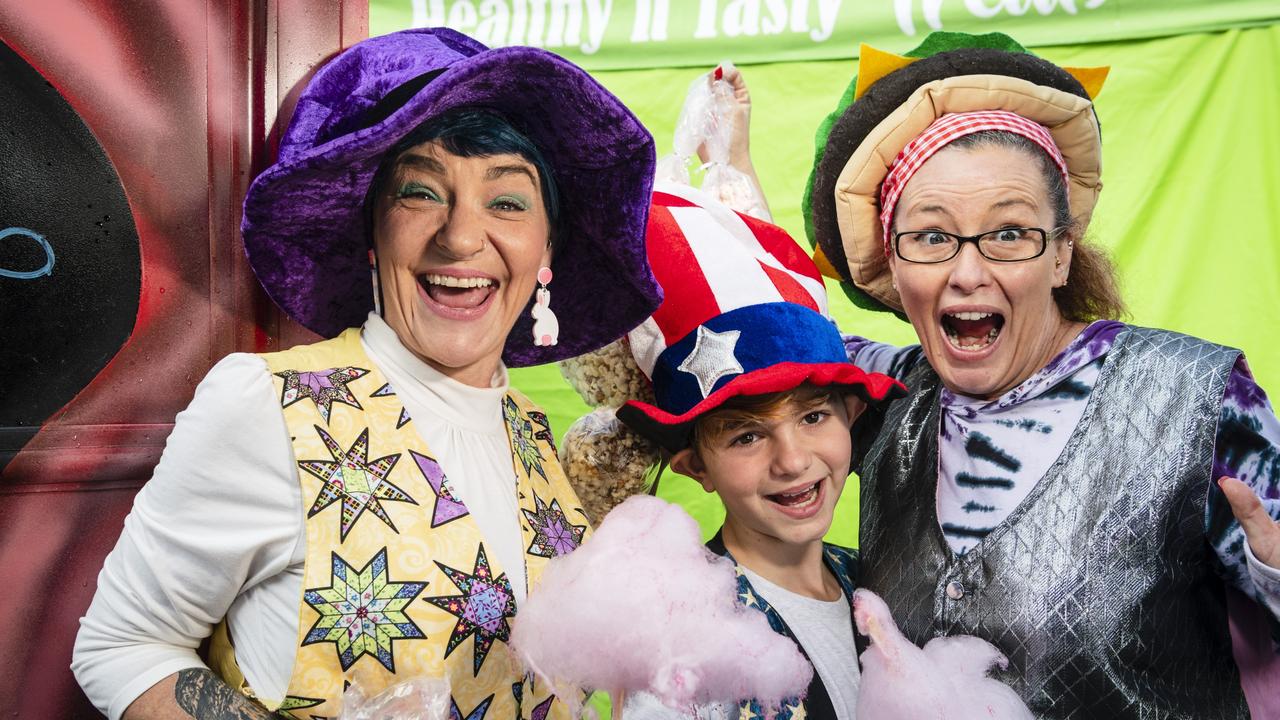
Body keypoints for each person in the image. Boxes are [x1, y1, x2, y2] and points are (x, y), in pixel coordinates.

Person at [71, 28, 661, 720]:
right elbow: (120, 644)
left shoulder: (527, 426)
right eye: (420, 193)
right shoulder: (268, 404)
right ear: (372, 237)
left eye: (507, 201)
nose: (462, 237)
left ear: (546, 249)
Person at [792, 31, 1280, 718]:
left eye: (1009, 233)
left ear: (1061, 255)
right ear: (893, 271)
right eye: (931, 236)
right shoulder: (878, 399)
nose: (968, 271)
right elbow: (772, 320)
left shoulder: (1196, 397)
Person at [559, 185, 904, 720]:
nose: (791, 460)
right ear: (696, 466)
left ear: (851, 417)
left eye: (813, 417)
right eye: (747, 436)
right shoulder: (682, 643)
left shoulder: (880, 586)